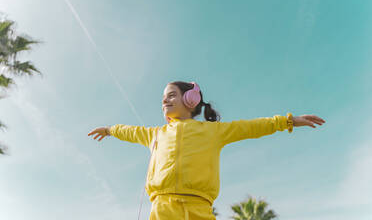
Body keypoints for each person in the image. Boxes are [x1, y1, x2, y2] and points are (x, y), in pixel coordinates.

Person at [88, 81, 325, 219]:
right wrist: (110, 129)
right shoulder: (155, 134)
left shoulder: (214, 131)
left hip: (199, 209)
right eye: (163, 98)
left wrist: (288, 121)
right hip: (162, 209)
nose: (164, 100)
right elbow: (128, 130)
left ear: (191, 99)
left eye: (171, 95)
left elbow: (252, 127)